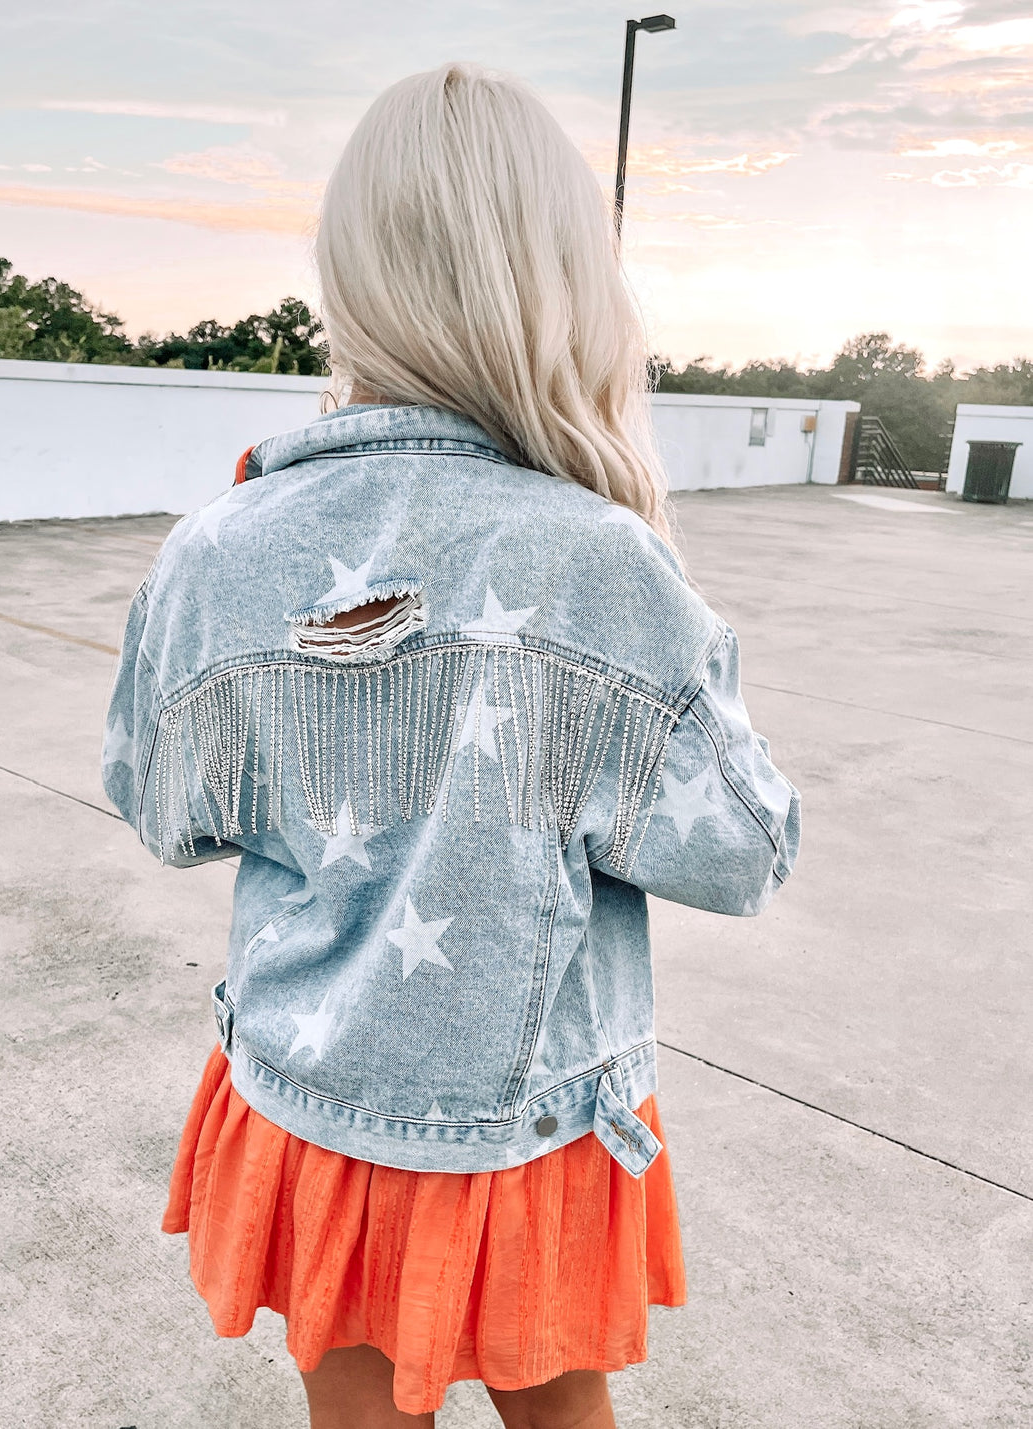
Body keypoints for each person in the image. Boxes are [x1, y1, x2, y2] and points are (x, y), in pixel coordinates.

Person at [102, 61, 801, 1429]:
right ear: (565, 285)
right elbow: (743, 851)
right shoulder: (599, 558)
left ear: (350, 276)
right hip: (528, 1123)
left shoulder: (215, 548)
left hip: (308, 1101)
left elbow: (160, 803)